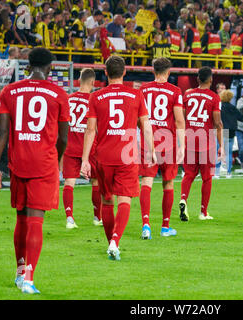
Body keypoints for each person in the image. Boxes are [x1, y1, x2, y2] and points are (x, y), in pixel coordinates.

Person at [0, 47, 70, 294]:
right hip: (43, 162)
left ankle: (19, 271)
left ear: (28, 65)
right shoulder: (58, 93)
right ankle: (29, 279)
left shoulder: (10, 91)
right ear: (50, 67)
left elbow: (1, 133)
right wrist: (56, 159)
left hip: (18, 162)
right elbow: (63, 137)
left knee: (21, 217)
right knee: (35, 219)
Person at [80, 55, 155, 261]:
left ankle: (110, 243)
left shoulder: (96, 97)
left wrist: (85, 159)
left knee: (107, 200)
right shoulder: (136, 95)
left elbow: (90, 130)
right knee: (125, 199)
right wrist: (151, 150)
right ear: (124, 72)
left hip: (103, 155)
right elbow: (146, 126)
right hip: (127, 155)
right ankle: (115, 241)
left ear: (105, 73)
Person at [138, 57, 185, 239]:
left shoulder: (143, 89)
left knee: (146, 182)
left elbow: (138, 118)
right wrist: (182, 146)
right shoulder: (175, 91)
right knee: (168, 183)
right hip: (168, 143)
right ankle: (165, 227)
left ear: (153, 71)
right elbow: (179, 120)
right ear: (168, 72)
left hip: (148, 142)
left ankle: (146, 224)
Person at [179, 66, 223, 221]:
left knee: (189, 174)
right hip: (206, 142)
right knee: (207, 178)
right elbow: (217, 123)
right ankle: (203, 212)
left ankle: (183, 198)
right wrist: (221, 145)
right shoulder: (214, 97)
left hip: (189, 138)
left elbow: (183, 117)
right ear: (211, 80)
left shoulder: (188, 94)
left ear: (197, 79)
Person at [62, 68, 102, 229]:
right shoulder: (95, 100)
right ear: (93, 83)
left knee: (69, 183)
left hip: (70, 147)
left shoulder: (68, 99)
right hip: (90, 148)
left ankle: (70, 218)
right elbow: (96, 127)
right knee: (96, 182)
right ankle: (96, 217)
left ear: (78, 81)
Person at [220, 89, 243, 178]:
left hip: (223, 130)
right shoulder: (233, 107)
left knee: (219, 151)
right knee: (229, 152)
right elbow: (241, 117)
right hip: (232, 130)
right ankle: (228, 172)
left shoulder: (220, 107)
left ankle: (217, 170)